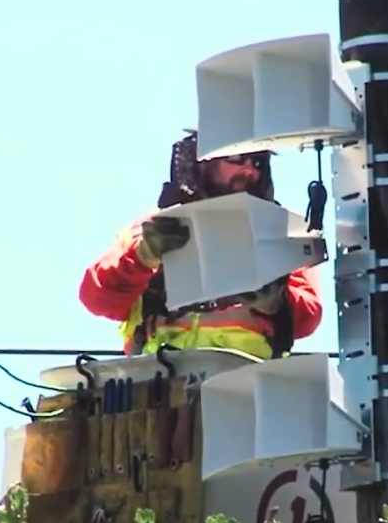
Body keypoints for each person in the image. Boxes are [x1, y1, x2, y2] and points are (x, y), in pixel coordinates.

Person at [78, 130, 323, 359]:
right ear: (203, 160)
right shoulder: (152, 226)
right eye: (237, 158)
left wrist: (274, 301)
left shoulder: (280, 232)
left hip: (245, 388)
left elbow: (308, 318)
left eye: (257, 162)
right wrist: (144, 255)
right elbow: (96, 297)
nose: (249, 170)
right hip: (161, 385)